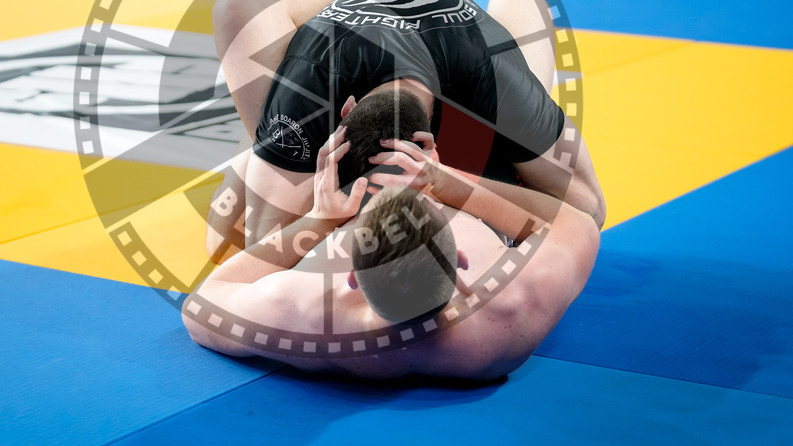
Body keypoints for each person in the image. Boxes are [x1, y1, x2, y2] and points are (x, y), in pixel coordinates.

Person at [206, 0, 604, 261]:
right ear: (342, 115)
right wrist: (319, 215)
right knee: (235, 8)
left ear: (433, 147)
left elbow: (590, 212)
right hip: (361, 44)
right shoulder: (311, 81)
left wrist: (448, 182)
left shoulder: (497, 79)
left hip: (464, 69)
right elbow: (258, 248)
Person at [183, 123, 600, 380]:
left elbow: (200, 305)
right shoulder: (514, 305)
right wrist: (448, 182)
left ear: (350, 275)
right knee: (591, 203)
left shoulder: (310, 316)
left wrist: (319, 220)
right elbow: (577, 222)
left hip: (355, 170)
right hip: (460, 170)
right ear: (460, 264)